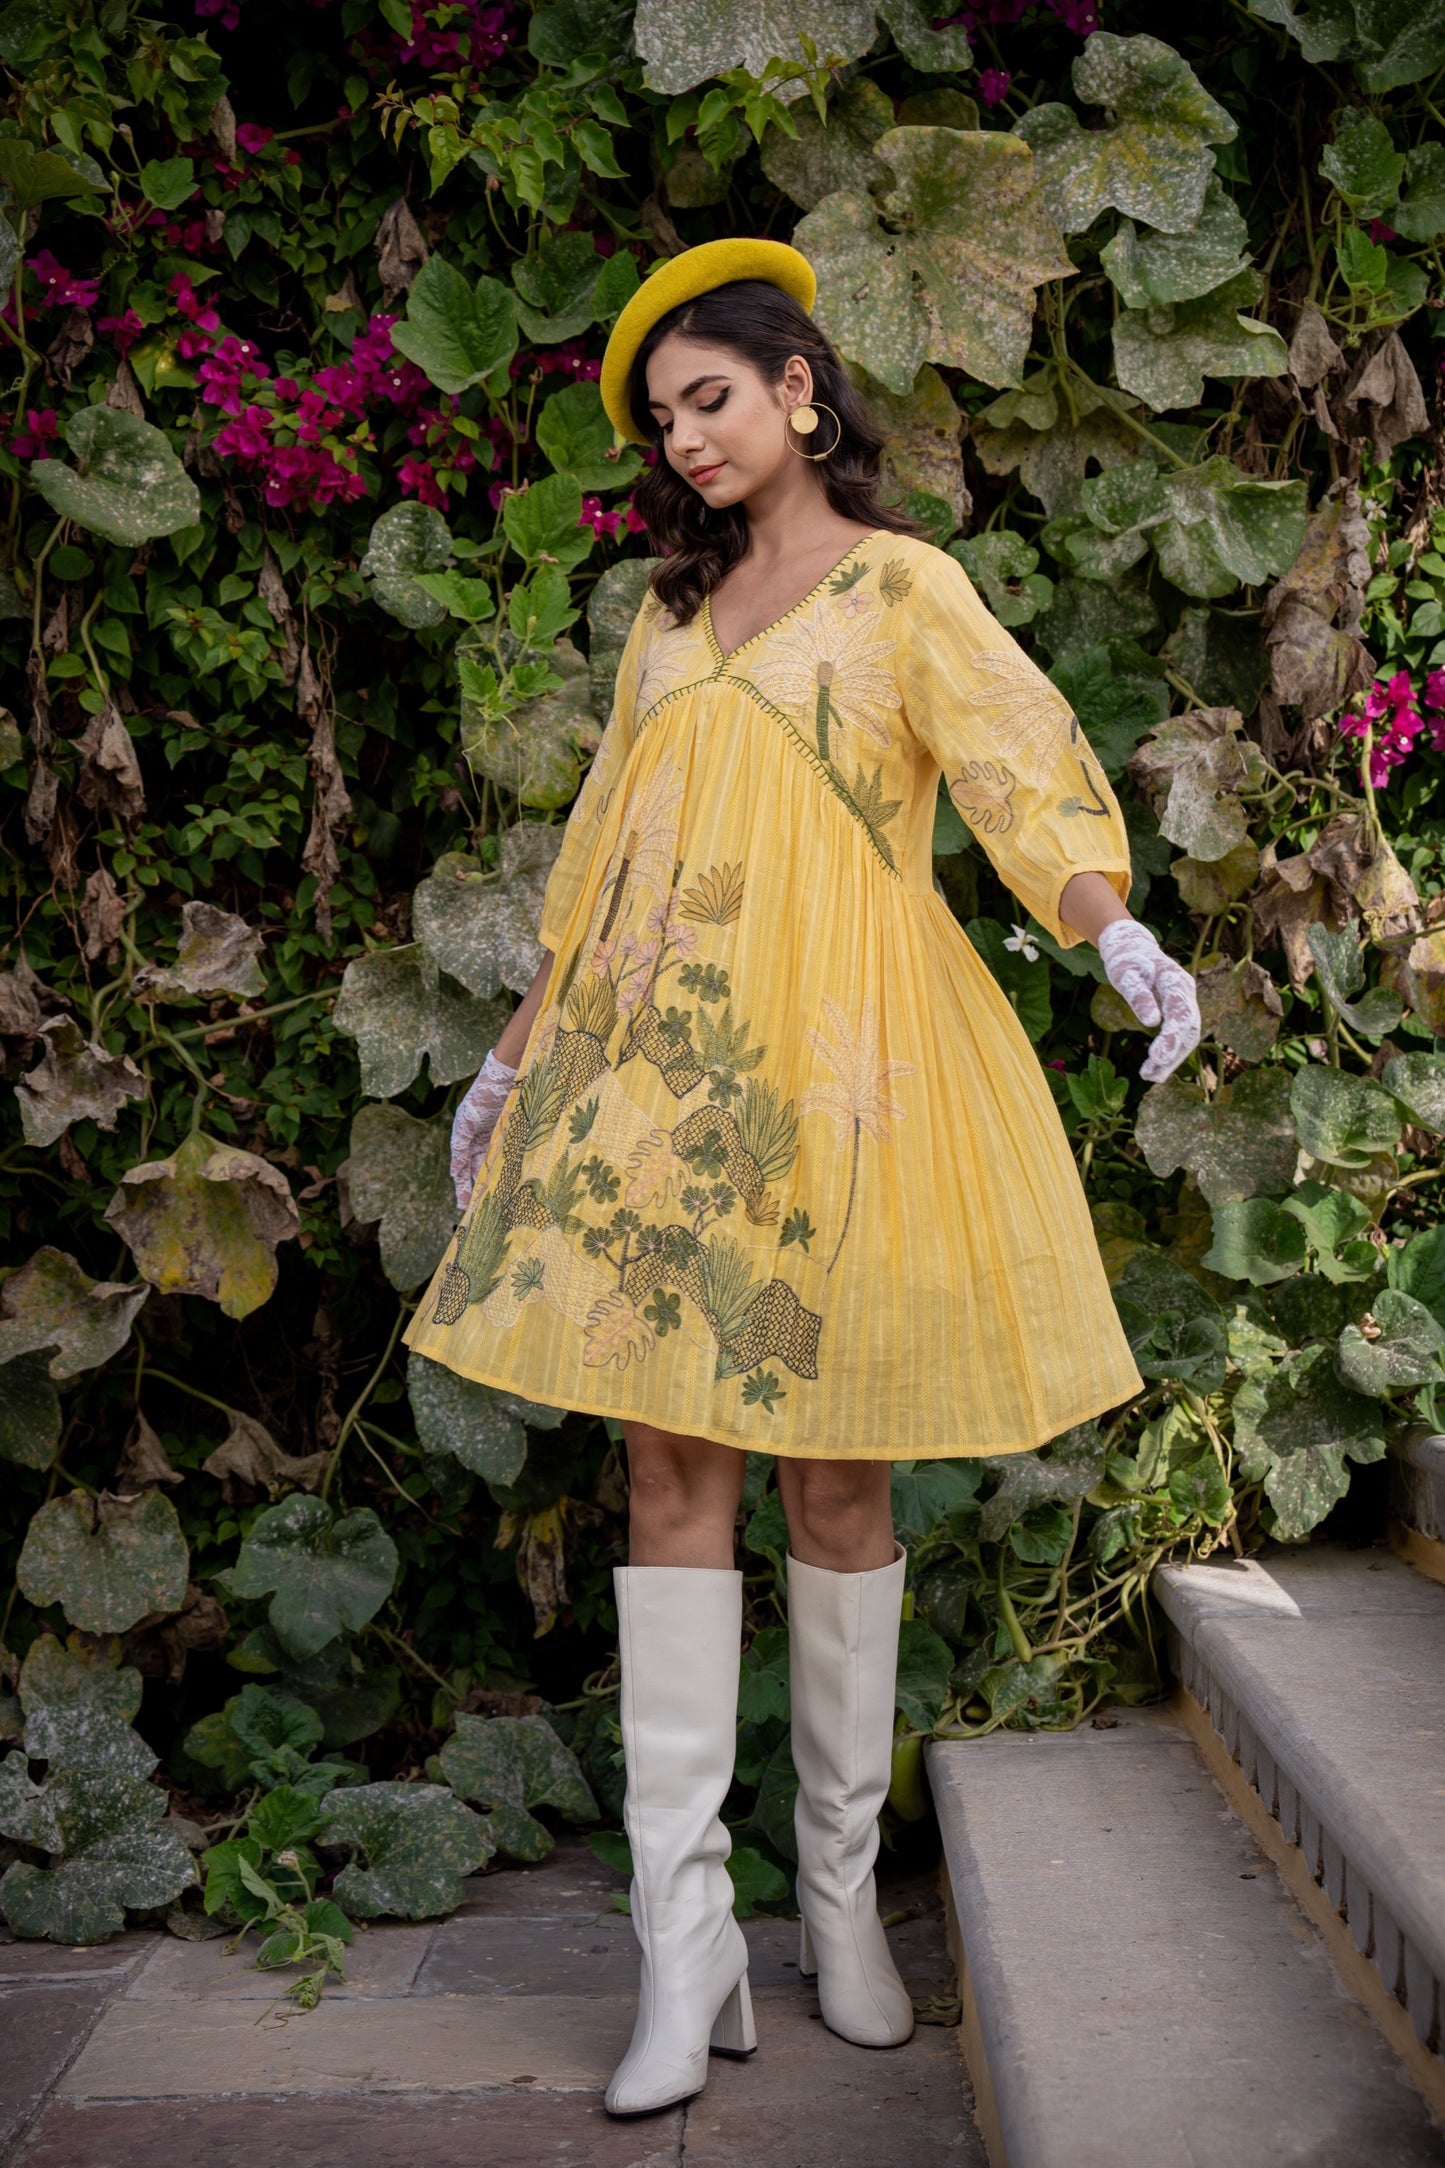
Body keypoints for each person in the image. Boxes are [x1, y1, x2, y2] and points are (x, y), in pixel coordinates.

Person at [403, 238, 1201, 2118]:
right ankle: (683, 1955)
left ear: (799, 390)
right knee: (668, 1466)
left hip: (846, 1077)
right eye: (658, 419)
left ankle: (836, 1907)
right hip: (658, 1085)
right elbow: (598, 862)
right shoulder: (665, 628)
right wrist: (516, 1058)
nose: (683, 439)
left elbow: (1014, 772)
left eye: (710, 397)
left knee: (839, 1475)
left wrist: (1112, 933)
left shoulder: (900, 589)